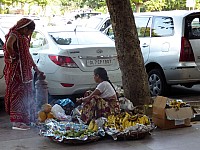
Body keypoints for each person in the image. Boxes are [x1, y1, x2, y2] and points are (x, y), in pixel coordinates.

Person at [3, 18, 42, 130]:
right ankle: (16, 122)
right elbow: (9, 45)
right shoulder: (14, 34)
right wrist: (14, 56)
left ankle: (25, 119)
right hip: (17, 72)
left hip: (25, 73)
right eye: (30, 31)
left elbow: (27, 54)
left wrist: (35, 67)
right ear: (24, 28)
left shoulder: (23, 37)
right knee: (17, 95)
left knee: (26, 95)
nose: (30, 34)